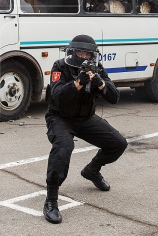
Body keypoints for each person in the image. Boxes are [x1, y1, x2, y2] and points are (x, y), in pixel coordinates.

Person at [43, 35, 127, 224]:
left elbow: (114, 97)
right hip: (60, 118)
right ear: (72, 53)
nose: (84, 57)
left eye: (88, 53)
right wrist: (77, 84)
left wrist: (101, 83)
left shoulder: (96, 69)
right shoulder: (60, 67)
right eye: (80, 53)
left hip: (86, 119)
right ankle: (51, 200)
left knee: (118, 143)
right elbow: (56, 96)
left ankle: (92, 170)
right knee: (63, 147)